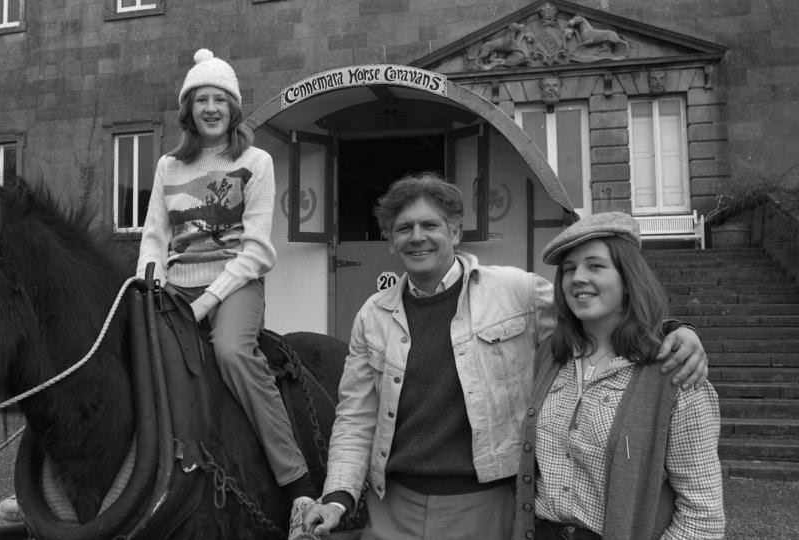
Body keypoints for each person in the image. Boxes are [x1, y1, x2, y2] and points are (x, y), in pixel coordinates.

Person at [303, 173, 707, 539]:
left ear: (455, 232)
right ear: (390, 240)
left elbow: (592, 312)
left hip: (488, 506)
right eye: (403, 228)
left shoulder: (517, 292)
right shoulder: (372, 316)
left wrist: (672, 331)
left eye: (430, 225)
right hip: (393, 507)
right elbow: (356, 415)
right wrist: (339, 496)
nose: (417, 237)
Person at [136, 48, 317, 538]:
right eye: (201, 100)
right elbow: (155, 234)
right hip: (175, 283)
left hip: (236, 282)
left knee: (233, 353)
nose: (210, 108)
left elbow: (258, 248)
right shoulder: (169, 166)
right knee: (128, 355)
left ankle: (296, 482)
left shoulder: (255, 161)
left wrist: (209, 300)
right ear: (188, 110)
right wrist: (148, 284)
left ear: (233, 109)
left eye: (220, 99)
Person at [513, 212, 724, 539]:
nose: (578, 278)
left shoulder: (674, 373)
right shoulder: (551, 357)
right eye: (569, 269)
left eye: (595, 265)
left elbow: (702, 514)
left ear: (628, 280)